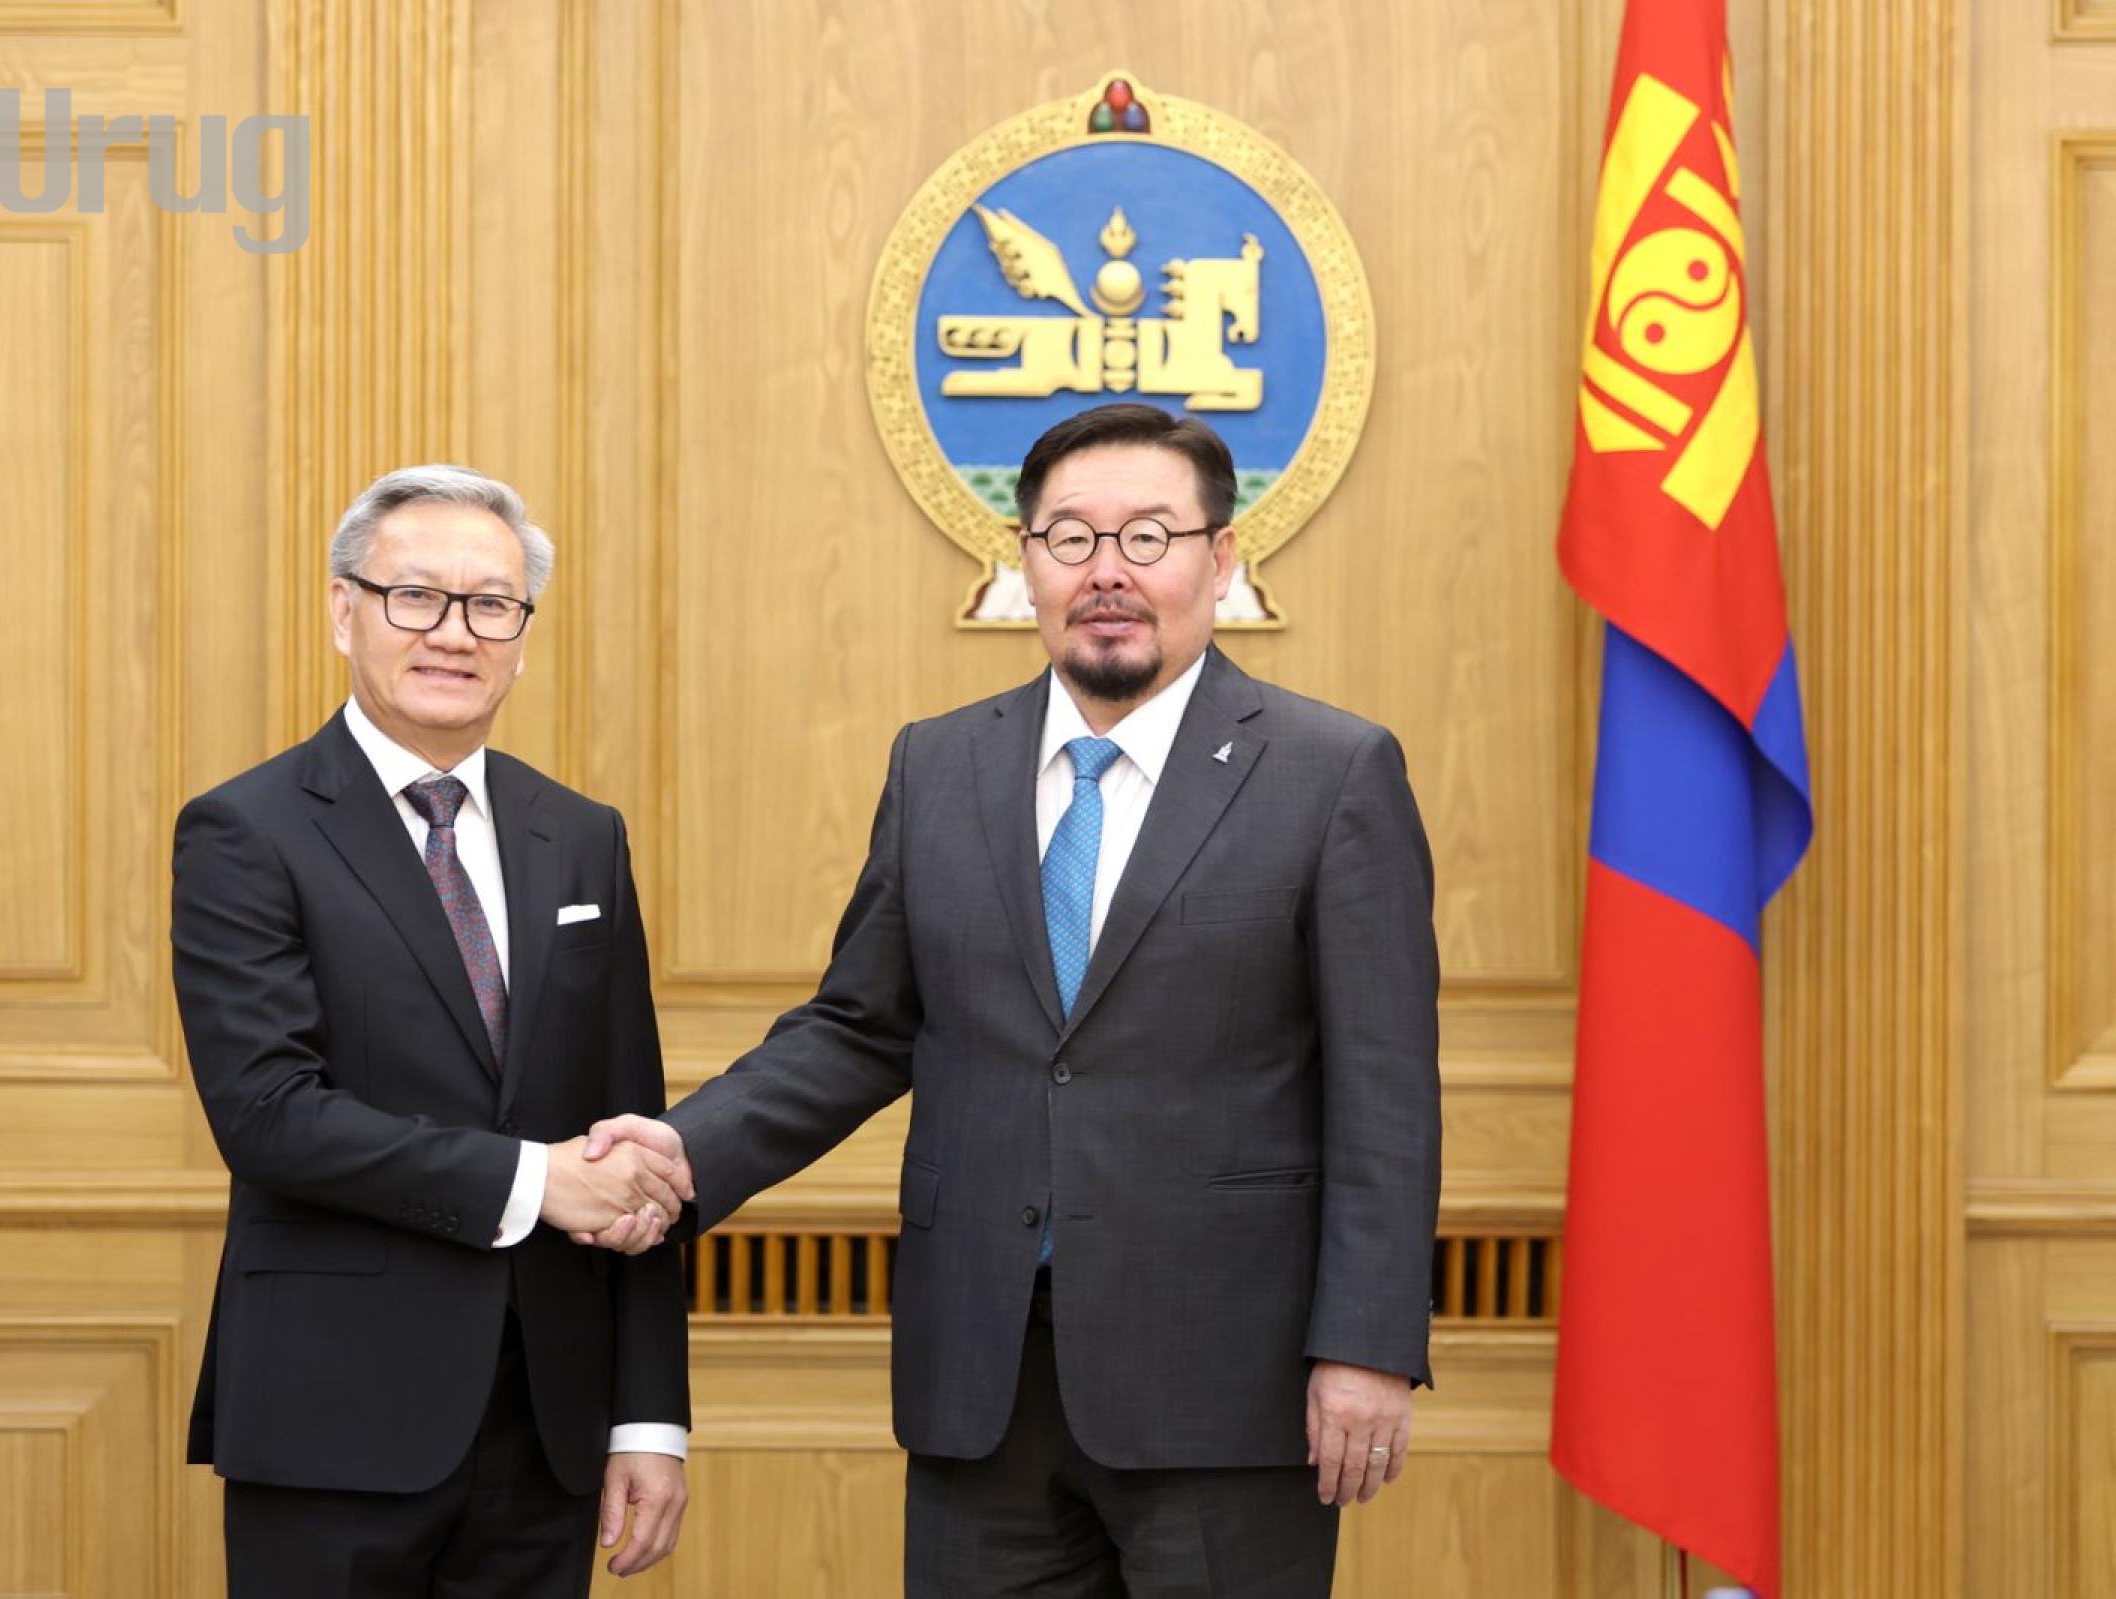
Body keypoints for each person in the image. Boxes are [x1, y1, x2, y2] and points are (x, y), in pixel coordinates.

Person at [585, 403, 1441, 1596]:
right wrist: (683, 1152)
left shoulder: (1331, 772)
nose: (1108, 571)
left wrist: (1366, 1344)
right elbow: (860, 1028)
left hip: (1224, 1378)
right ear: (1025, 560)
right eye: (1070, 538)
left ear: (1221, 559)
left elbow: (1383, 1092)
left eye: (1149, 536)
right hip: (980, 1374)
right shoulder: (940, 764)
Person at [172, 465, 692, 1597]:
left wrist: (650, 1416)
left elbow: (634, 1138)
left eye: (491, 604)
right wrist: (534, 1182)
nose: (455, 633)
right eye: (415, 596)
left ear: (522, 634)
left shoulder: (582, 836)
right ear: (343, 610)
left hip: (547, 1422)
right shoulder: (246, 831)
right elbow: (269, 1117)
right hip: (333, 1417)